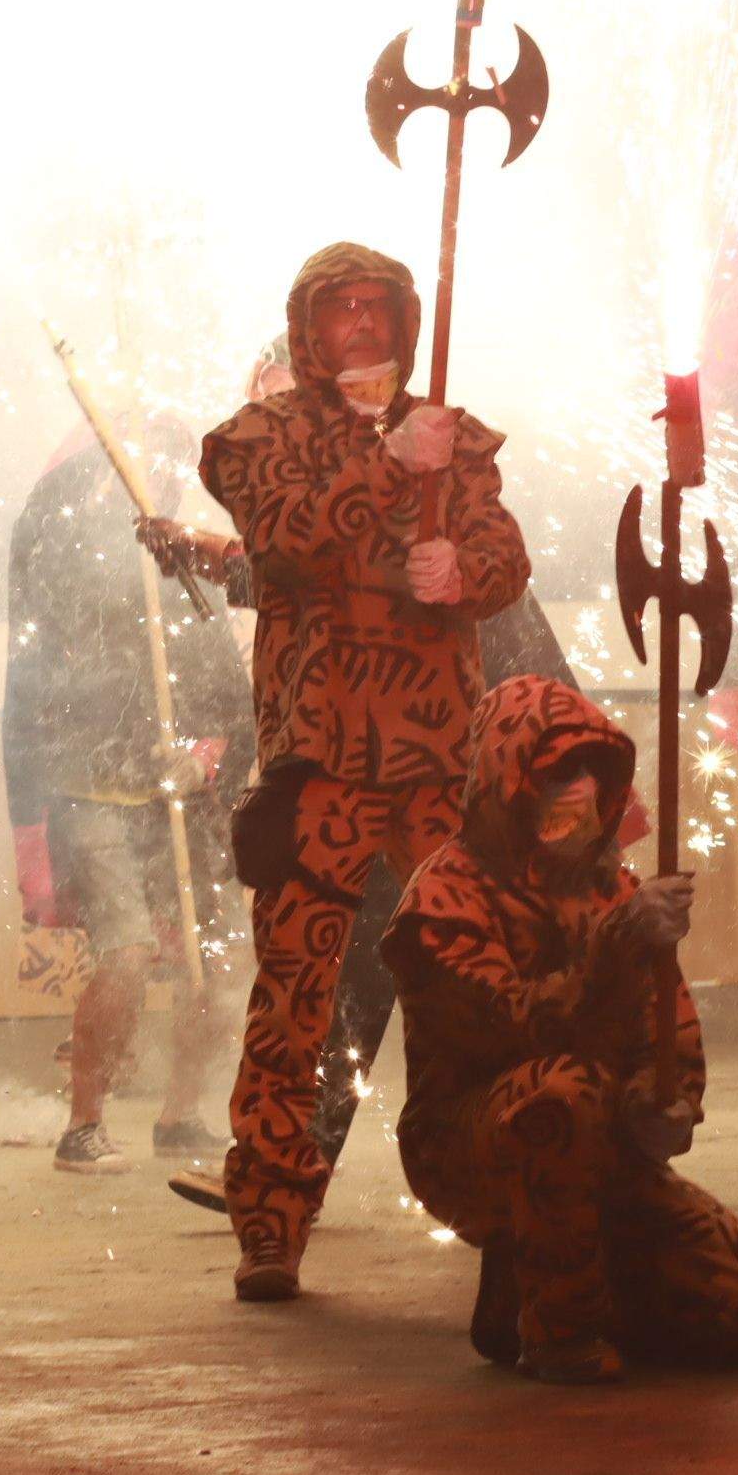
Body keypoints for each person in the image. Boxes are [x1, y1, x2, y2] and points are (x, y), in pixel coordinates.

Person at [192, 242, 528, 1301]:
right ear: (306, 327)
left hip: (435, 762)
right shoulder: (260, 436)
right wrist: (392, 465)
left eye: (379, 308)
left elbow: (507, 558)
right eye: (340, 310)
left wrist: (465, 567)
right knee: (296, 992)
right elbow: (287, 543)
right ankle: (270, 1220)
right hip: (320, 762)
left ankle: (495, 1194)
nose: (363, 327)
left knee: (471, 980)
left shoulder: (451, 436)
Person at [382, 676, 738, 1382]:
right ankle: (558, 1331)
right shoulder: (441, 897)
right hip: (469, 1145)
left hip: (604, 1142)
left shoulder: (612, 887)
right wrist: (611, 951)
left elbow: (665, 1026)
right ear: (507, 774)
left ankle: (536, 1292)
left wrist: (665, 1101)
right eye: (556, 772)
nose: (576, 790)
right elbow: (509, 1029)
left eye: (589, 772)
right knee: (563, 1094)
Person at [2, 406, 250, 1173]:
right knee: (130, 954)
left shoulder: (182, 573)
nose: (160, 473)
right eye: (142, 459)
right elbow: (44, 694)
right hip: (93, 790)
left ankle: (180, 1115)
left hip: (177, 796)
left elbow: (230, 701)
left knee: (225, 960)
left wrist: (205, 758)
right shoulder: (59, 569)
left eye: (172, 460)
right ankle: (84, 1124)